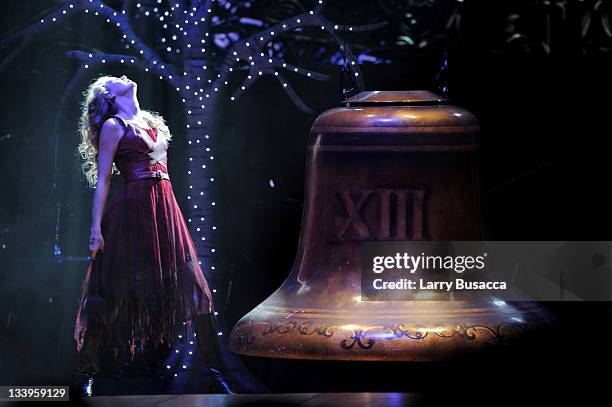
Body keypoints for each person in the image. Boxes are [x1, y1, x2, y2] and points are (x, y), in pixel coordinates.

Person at [73, 74, 232, 396]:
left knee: (198, 290)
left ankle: (215, 372)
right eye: (115, 79)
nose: (124, 76)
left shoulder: (150, 121)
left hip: (165, 208)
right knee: (110, 292)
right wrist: (95, 230)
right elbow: (103, 180)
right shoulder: (114, 126)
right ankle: (88, 372)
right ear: (110, 95)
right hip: (134, 208)